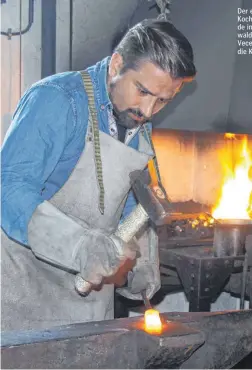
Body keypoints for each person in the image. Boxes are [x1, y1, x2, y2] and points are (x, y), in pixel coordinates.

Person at [1, 18, 196, 331]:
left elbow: (134, 204)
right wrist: (79, 246)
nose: (148, 110)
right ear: (117, 63)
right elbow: (8, 190)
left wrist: (142, 260)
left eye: (163, 100)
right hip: (27, 301)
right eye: (143, 91)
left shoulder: (138, 124)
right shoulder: (57, 100)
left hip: (88, 312)